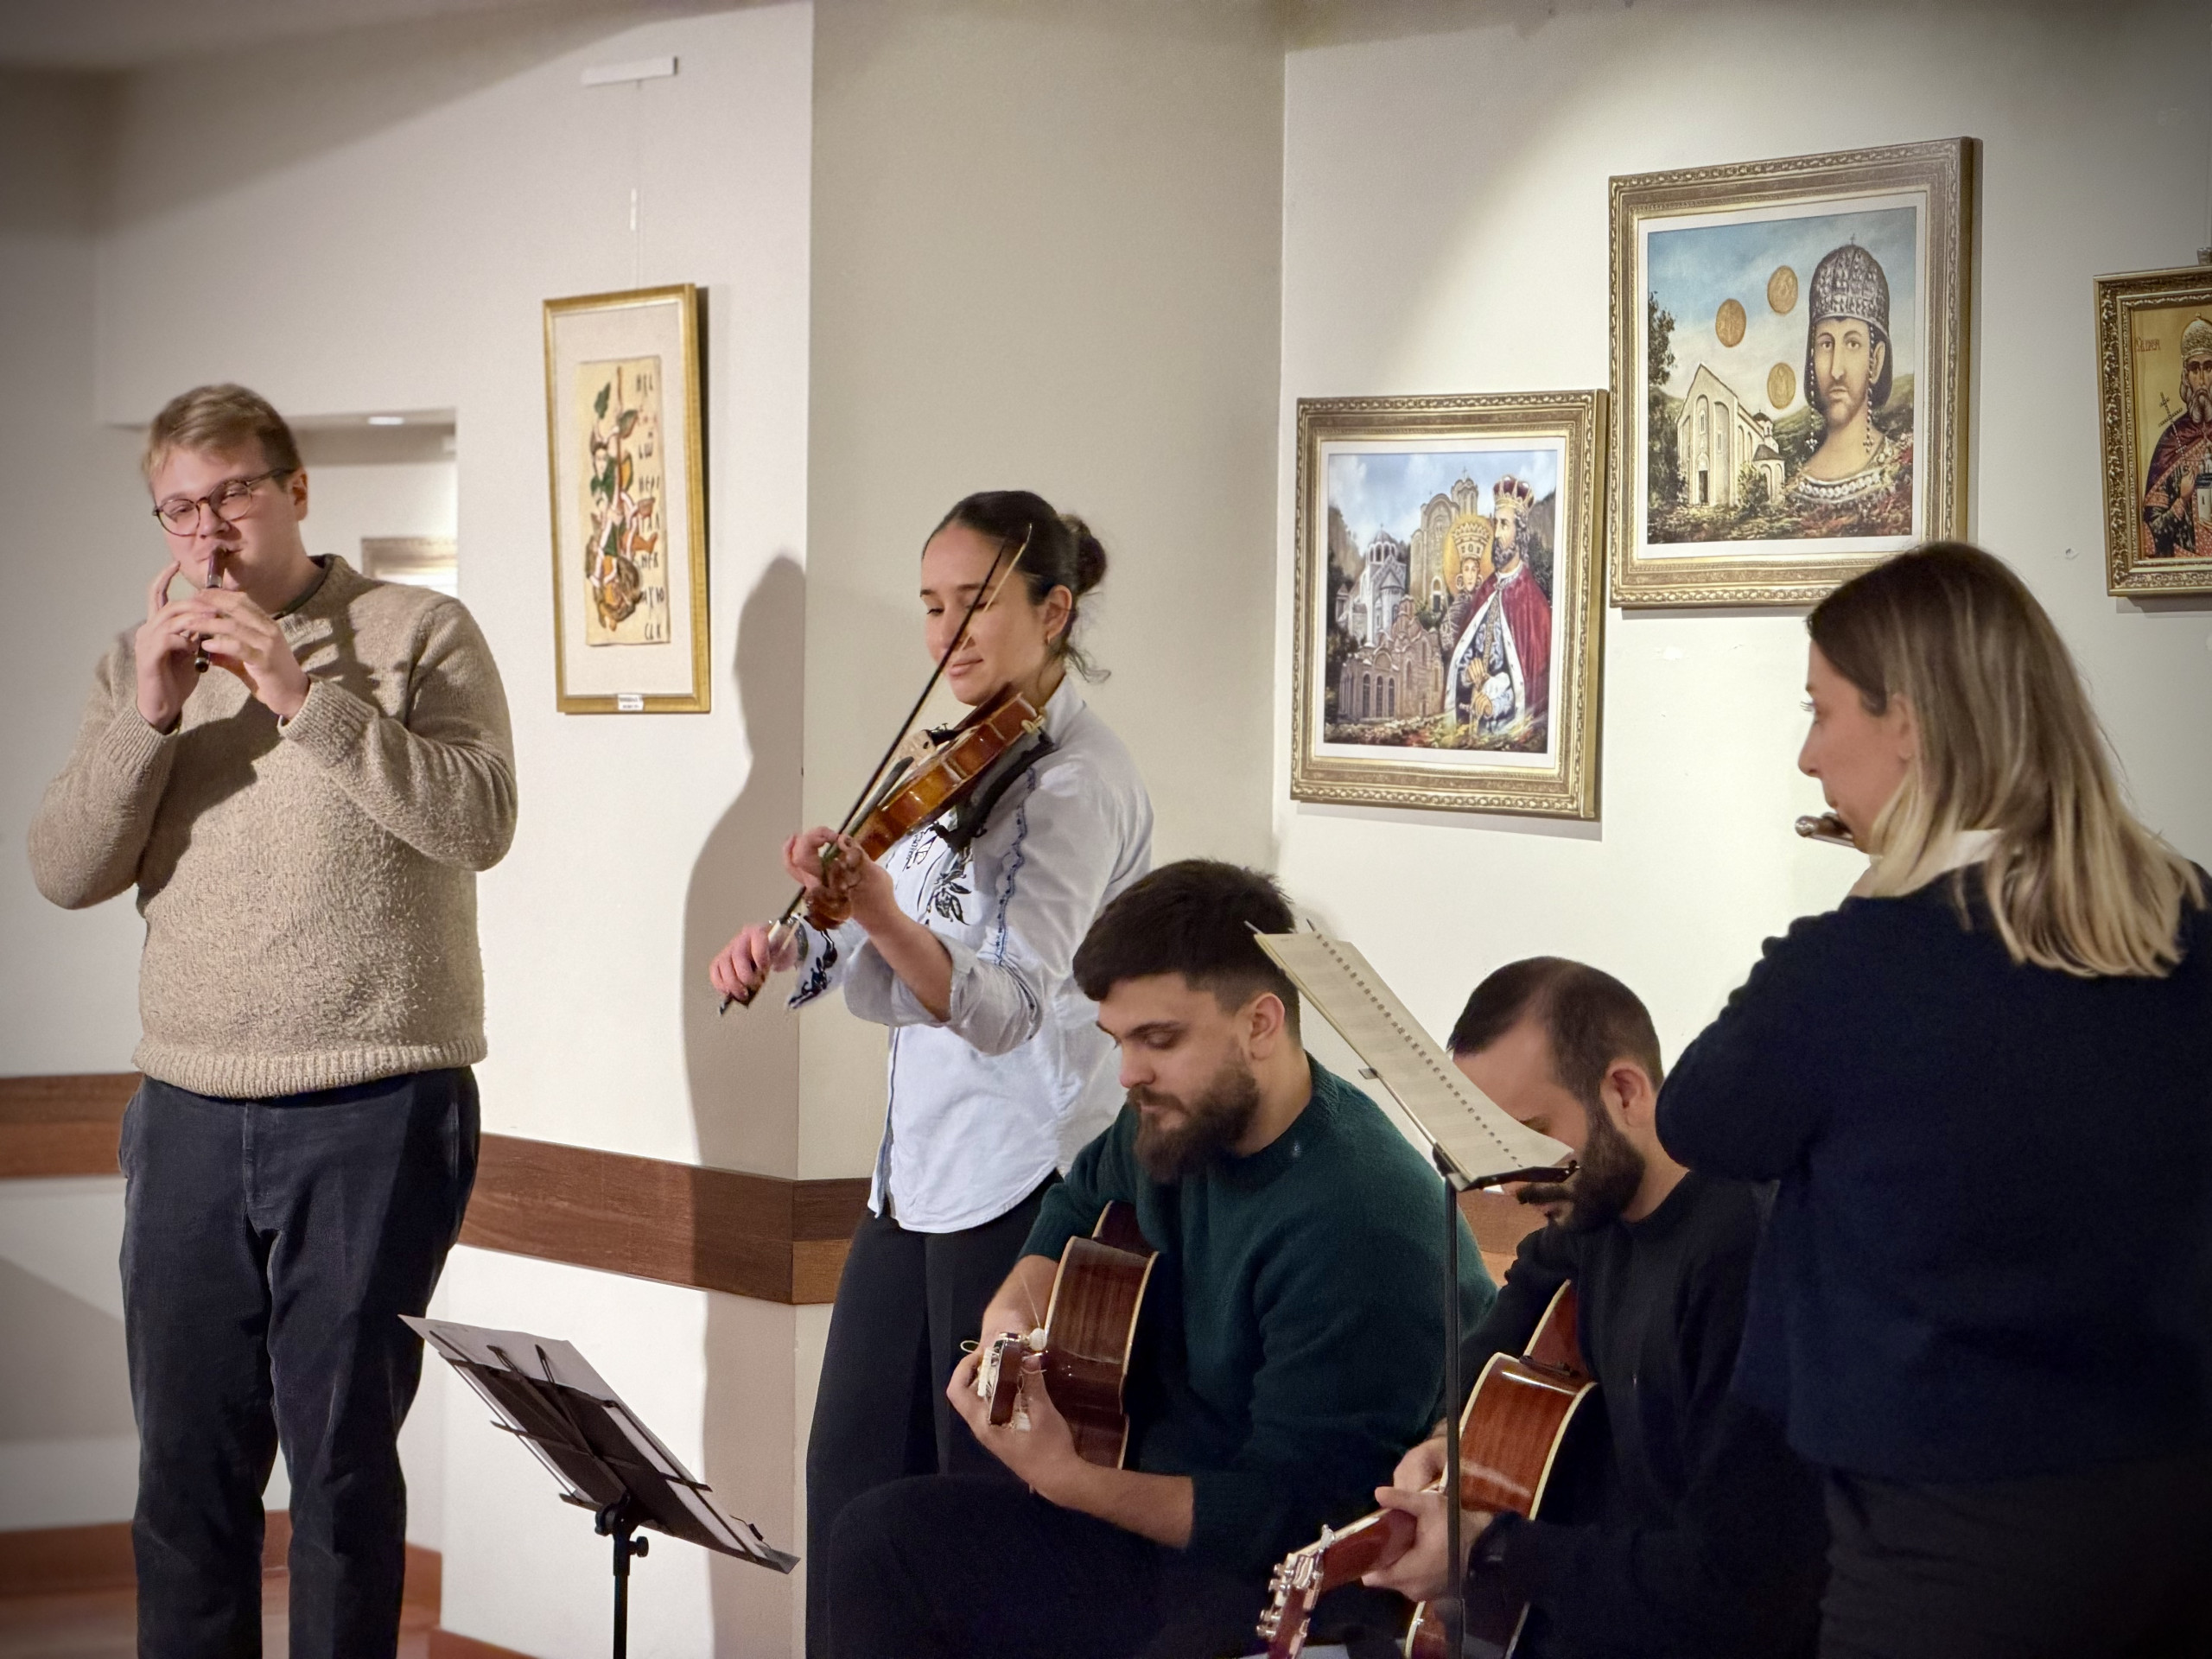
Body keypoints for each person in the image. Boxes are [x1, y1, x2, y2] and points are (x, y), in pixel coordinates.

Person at [28, 384, 516, 1658]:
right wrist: (147, 714)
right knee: (183, 1475)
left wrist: (305, 698)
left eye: (234, 493)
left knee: (342, 1472)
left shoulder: (420, 630)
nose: (208, 531)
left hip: (375, 1105)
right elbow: (65, 871)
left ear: (296, 490)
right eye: (179, 508)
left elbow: (478, 823)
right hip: (186, 1111)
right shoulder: (134, 664)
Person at [1656, 543, 2212, 1658]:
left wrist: (1877, 886)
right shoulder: (2183, 921)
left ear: (1905, 724)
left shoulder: (1864, 961)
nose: (1810, 755)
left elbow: (1702, 1117)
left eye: (1821, 711)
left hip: (1951, 1529)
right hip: (2175, 1498)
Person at [821, 861, 1497, 1659]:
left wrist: (1072, 1480)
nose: (1128, 1073)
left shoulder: (1363, 1222)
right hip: (1151, 1531)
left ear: (1261, 1025)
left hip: (1293, 1580)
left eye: (1159, 1039)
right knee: (883, 1538)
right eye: (1118, 1039)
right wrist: (1011, 1319)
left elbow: (1295, 1515)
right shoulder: (1175, 1118)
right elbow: (1074, 1206)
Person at [707, 491, 1154, 1658]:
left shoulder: (1077, 786)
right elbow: (873, 934)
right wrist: (795, 941)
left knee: (976, 1511)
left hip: (1021, 1178)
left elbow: (1006, 1007)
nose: (947, 634)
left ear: (1055, 611)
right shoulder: (953, 756)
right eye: (931, 606)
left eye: (975, 604)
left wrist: (881, 913)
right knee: (848, 1485)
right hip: (911, 1178)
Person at [1363, 958, 1827, 1659]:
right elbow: (1507, 1321)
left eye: (1530, 1133)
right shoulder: (1593, 1214)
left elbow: (1740, 1589)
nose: (1511, 1185)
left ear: (1625, 1091)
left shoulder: (1746, 1261)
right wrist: (1448, 1438)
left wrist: (1489, 1547)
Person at [1784, 244, 1912, 531]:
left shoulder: (1904, 473)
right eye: (1826, 344)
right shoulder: (1792, 494)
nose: (1836, 369)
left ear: (1875, 361)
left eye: (1853, 343)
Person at [1446, 475, 1551, 739]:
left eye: (1504, 525)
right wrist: (1468, 673)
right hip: (1470, 732)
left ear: (1520, 533)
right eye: (1496, 524)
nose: (1497, 534)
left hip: (1506, 737)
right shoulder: (1486, 590)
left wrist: (1496, 703)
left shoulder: (1534, 604)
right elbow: (1463, 657)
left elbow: (1536, 689)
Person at [2140, 313, 2212, 560]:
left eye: (2209, 367)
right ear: (2185, 376)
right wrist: (2182, 500)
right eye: (2194, 369)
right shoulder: (2171, 440)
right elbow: (2149, 537)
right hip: (2184, 564)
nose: (2201, 380)